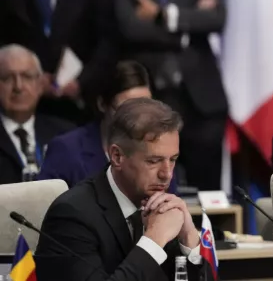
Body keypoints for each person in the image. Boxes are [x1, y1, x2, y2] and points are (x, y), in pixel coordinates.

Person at [110, 0, 228, 190]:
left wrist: (163, 15)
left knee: (208, 196)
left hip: (202, 104)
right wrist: (188, 25)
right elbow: (129, 28)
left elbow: (217, 18)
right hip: (151, 101)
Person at [35, 98, 205, 281]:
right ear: (117, 156)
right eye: (153, 161)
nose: (167, 174)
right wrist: (154, 240)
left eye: (172, 160)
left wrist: (189, 238)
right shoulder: (71, 216)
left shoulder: (163, 207)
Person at [39, 60, 176, 190]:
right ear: (102, 105)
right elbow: (44, 203)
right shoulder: (67, 150)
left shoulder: (160, 149)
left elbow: (171, 197)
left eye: (146, 110)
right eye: (127, 110)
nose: (138, 120)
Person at [0, 44, 74, 184]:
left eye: (27, 77)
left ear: (40, 85)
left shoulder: (66, 134)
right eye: (8, 78)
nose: (18, 86)